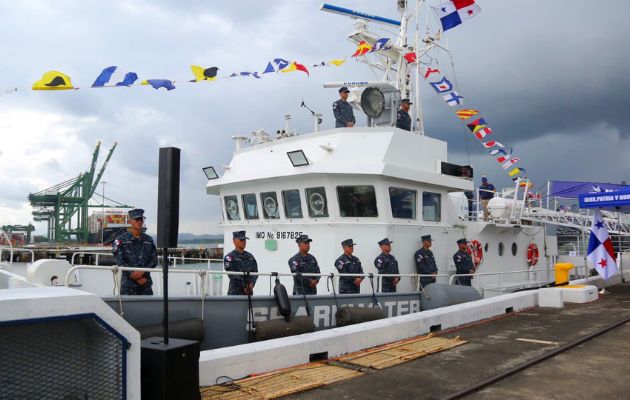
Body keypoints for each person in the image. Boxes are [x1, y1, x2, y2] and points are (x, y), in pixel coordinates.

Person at [112, 208, 158, 295]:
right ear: (130, 221)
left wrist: (143, 271)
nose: (140, 222)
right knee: (127, 308)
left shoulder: (149, 240)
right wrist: (137, 277)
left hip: (145, 284)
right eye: (137, 219)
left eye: (141, 219)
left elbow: (154, 260)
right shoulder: (120, 240)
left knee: (148, 308)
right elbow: (120, 261)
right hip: (128, 286)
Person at [224, 231, 258, 295]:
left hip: (249, 293)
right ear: (234, 241)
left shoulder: (250, 256)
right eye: (241, 240)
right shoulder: (229, 257)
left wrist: (251, 284)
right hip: (235, 293)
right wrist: (244, 286)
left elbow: (255, 272)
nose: (244, 242)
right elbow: (232, 275)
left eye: (245, 240)